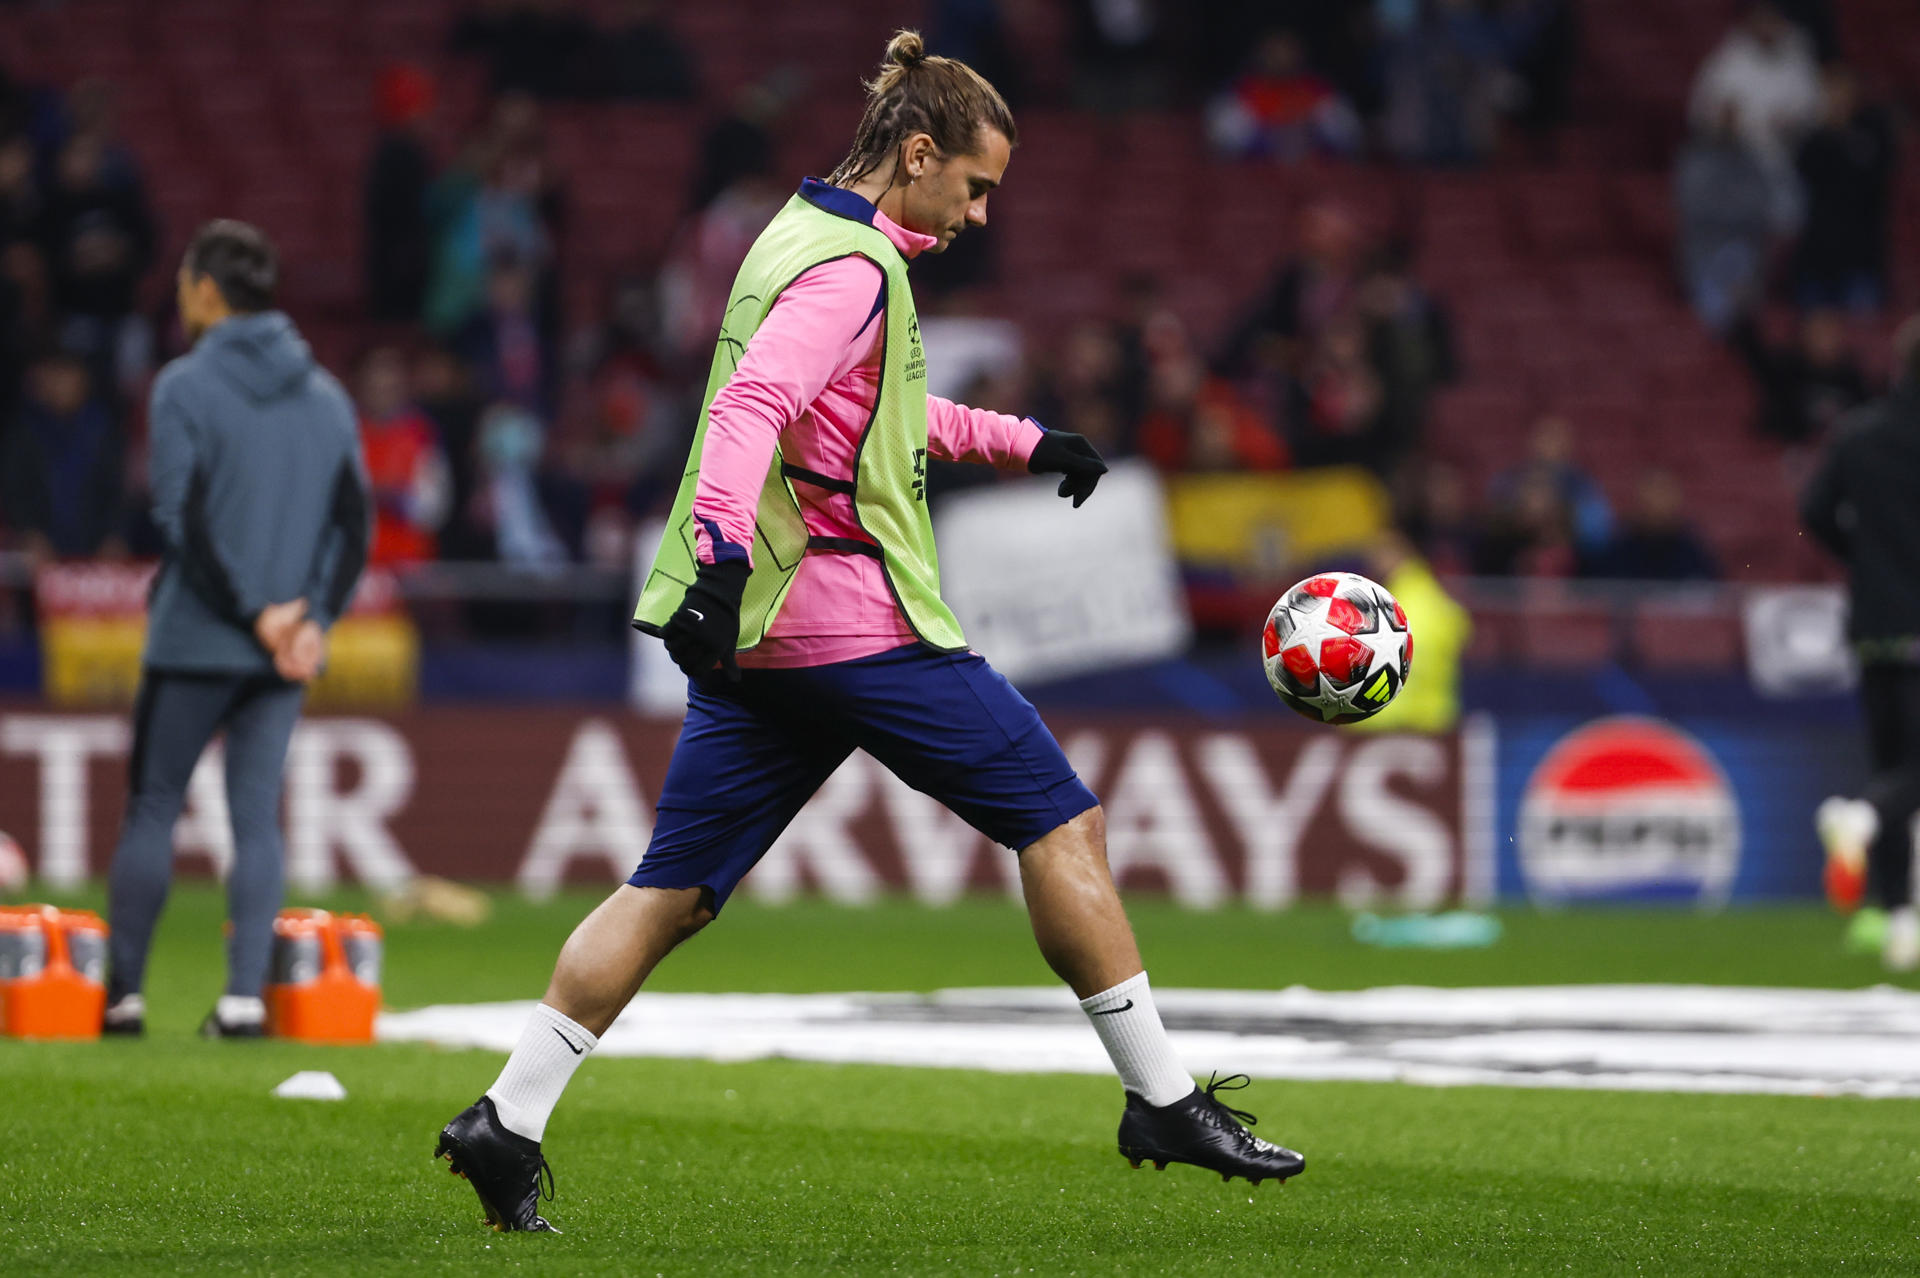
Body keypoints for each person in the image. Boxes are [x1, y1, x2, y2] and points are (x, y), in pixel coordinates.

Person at [433, 30, 1305, 1234]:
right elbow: (753, 406)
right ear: (917, 152)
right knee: (1064, 823)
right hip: (847, 623)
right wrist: (726, 544)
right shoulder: (855, 270)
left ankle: (507, 1120)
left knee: (671, 890)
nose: (982, 215)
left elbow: (876, 413)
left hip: (755, 637)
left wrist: (1021, 440)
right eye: (977, 186)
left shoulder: (794, 239)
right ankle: (1159, 1097)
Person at [100, 221, 370, 1038]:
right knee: (257, 818)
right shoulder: (327, 394)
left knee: (153, 806)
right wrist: (310, 617)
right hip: (283, 653)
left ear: (209, 292)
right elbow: (353, 527)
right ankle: (245, 1001)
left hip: (195, 639)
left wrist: (255, 610)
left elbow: (180, 518)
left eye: (184, 284)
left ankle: (124, 999)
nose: (180, 299)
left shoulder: (182, 385)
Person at [1800, 315, 1920, 972]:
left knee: (1893, 762)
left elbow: (1814, 513)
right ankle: (1863, 818)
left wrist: (1867, 559)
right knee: (1908, 777)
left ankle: (1899, 919)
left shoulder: (1861, 433)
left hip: (1875, 623)